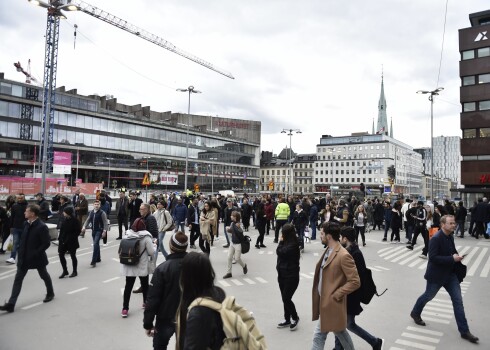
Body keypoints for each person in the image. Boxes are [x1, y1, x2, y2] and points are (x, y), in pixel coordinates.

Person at [410, 215, 479, 344]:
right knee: (428, 296)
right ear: (443, 225)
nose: (454, 225)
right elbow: (433, 258)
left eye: (454, 223)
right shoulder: (435, 238)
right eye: (451, 223)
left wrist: (457, 256)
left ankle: (464, 331)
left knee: (458, 301)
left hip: (451, 275)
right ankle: (415, 312)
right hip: (436, 276)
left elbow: (451, 251)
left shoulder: (450, 236)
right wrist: (452, 259)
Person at [311, 221, 360, 350]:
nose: (320, 236)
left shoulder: (343, 255)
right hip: (325, 302)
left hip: (332, 303)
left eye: (321, 234)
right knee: (340, 332)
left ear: (328, 236)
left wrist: (337, 294)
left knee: (319, 336)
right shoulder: (329, 249)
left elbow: (355, 281)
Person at [334, 227, 384, 350]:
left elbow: (358, 278)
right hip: (349, 294)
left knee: (348, 324)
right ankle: (339, 347)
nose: (340, 239)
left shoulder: (355, 253)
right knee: (342, 323)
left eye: (341, 237)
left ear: (345, 238)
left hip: (351, 295)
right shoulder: (351, 250)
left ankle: (375, 342)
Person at [0, 204, 55, 313]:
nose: (24, 213)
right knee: (18, 280)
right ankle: (11, 304)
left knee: (44, 275)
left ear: (32, 214)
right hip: (24, 257)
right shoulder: (25, 224)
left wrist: (36, 252)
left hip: (36, 258)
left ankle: (50, 293)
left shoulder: (41, 226)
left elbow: (46, 243)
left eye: (27, 211)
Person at [143, 231, 188, 349]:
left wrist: (148, 323)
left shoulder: (162, 269)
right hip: (188, 315)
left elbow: (153, 299)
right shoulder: (195, 266)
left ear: (171, 246)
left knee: (160, 345)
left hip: (166, 317)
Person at [120, 218, 155, 318]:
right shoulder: (146, 237)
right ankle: (145, 303)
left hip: (130, 265)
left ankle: (125, 309)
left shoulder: (127, 235)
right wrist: (154, 245)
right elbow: (151, 252)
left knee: (128, 287)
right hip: (142, 265)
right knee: (145, 285)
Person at [276, 223, 300, 331]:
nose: (281, 235)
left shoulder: (293, 245)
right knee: (284, 298)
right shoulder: (287, 242)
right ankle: (287, 319)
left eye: (283, 233)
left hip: (291, 275)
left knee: (286, 297)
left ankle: (295, 317)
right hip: (282, 274)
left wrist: (280, 242)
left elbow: (280, 252)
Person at [81, 200, 109, 267]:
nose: (96, 205)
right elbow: (88, 220)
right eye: (95, 204)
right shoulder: (91, 212)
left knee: (95, 244)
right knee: (96, 244)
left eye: (98, 204)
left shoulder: (102, 213)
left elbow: (105, 223)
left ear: (100, 205)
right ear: (93, 205)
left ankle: (93, 261)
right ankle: (98, 258)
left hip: (99, 231)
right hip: (93, 230)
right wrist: (84, 227)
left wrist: (104, 231)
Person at [223, 211, 248, 279]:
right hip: (232, 243)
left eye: (233, 216)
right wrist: (228, 229)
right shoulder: (232, 223)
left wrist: (239, 228)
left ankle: (244, 266)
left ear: (236, 218)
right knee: (229, 257)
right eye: (231, 215)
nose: (231, 217)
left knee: (237, 258)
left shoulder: (239, 224)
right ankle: (229, 272)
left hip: (238, 244)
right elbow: (231, 231)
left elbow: (241, 233)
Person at [58, 207, 80, 278]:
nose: (63, 213)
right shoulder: (64, 220)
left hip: (71, 241)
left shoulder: (75, 220)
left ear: (68, 213)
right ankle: (65, 271)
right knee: (61, 255)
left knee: (73, 256)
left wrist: (70, 238)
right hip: (63, 241)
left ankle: (74, 271)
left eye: (64, 212)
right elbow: (61, 230)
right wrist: (60, 239)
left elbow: (77, 231)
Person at [6, 194, 28, 264]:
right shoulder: (14, 206)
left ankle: (23, 257)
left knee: (23, 243)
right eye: (18, 198)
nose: (19, 199)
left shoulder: (28, 206)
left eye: (21, 198)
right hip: (15, 227)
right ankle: (12, 257)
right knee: (15, 243)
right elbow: (12, 217)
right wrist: (11, 227)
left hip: (25, 227)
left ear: (24, 198)